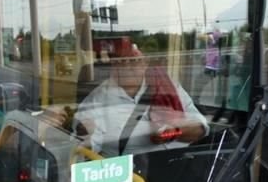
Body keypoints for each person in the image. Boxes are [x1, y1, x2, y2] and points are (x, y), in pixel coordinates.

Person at [76, 45, 208, 157]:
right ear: (113, 67)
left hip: (173, 165)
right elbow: (88, 143)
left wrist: (174, 133)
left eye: (133, 61)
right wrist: (86, 132)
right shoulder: (99, 96)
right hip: (126, 173)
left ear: (145, 64)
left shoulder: (169, 87)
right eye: (121, 62)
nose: (127, 67)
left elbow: (200, 128)